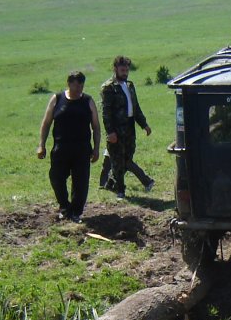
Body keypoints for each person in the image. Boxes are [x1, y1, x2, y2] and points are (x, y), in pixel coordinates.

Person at [37, 70, 101, 223]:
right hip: (61, 148)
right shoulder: (57, 99)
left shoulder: (88, 101)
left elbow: (96, 127)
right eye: (75, 84)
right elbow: (46, 123)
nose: (79, 87)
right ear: (69, 83)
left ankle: (76, 212)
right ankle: (65, 207)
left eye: (81, 84)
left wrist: (97, 148)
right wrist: (41, 145)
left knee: (81, 182)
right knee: (56, 177)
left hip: (82, 149)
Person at [101, 56, 154, 200]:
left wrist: (144, 125)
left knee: (127, 158)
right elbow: (106, 112)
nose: (125, 73)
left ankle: (110, 183)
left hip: (130, 128)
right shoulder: (109, 87)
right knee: (120, 160)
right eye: (122, 70)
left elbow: (136, 108)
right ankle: (124, 189)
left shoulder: (129, 86)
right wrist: (110, 132)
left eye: (127, 70)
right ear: (115, 69)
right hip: (116, 129)